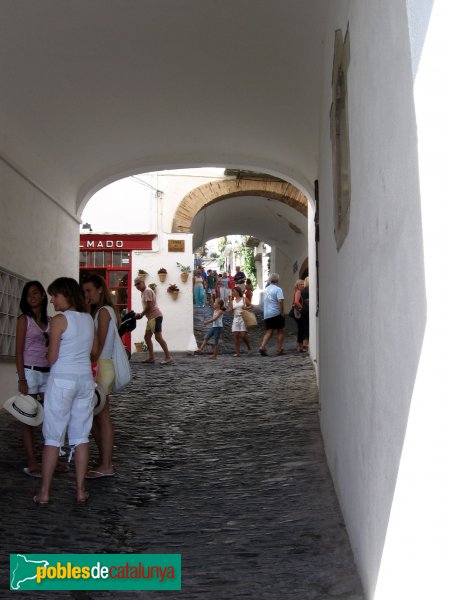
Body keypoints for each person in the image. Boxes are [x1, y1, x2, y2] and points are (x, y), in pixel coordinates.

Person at [34, 277, 96, 505]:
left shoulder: (60, 320)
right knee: (81, 436)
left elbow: (52, 358)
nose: (51, 300)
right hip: (85, 381)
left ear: (67, 295)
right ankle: (80, 491)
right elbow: (94, 351)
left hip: (62, 380)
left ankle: (44, 493)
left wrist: (48, 350)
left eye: (55, 295)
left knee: (52, 436)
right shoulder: (89, 319)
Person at [82, 274, 118, 478]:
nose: (86, 295)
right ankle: (105, 459)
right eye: (84, 291)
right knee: (96, 416)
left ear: (100, 290)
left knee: (102, 417)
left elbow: (98, 344)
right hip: (100, 365)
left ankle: (106, 464)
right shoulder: (100, 312)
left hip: (101, 366)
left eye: (89, 291)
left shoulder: (103, 312)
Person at [15, 281, 51, 477]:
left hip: (48, 373)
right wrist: (22, 379)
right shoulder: (24, 320)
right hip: (29, 372)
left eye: (36, 293)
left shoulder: (52, 321)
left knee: (50, 417)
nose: (32, 297)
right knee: (28, 417)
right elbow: (18, 352)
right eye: (28, 294)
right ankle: (32, 461)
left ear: (43, 296)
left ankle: (49, 458)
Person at [134, 276, 173, 364]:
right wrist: (142, 314)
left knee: (158, 337)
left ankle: (168, 357)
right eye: (136, 285)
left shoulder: (147, 291)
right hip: (151, 318)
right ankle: (151, 357)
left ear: (143, 282)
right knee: (147, 337)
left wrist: (141, 314)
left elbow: (149, 306)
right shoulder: (144, 292)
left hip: (155, 316)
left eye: (138, 284)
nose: (137, 286)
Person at [258, 273, 285, 356]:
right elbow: (280, 301)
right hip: (276, 313)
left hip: (267, 313)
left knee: (269, 331)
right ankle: (279, 349)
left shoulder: (265, 290)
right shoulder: (278, 289)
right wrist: (282, 312)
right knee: (280, 331)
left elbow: (263, 302)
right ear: (277, 280)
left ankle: (262, 347)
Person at [228, 287, 252, 357]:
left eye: (234, 291)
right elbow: (229, 311)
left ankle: (249, 346)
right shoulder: (232, 301)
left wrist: (246, 308)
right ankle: (238, 352)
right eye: (232, 292)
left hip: (243, 318)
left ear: (238, 292)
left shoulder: (244, 299)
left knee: (243, 335)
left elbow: (251, 306)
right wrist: (231, 308)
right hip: (235, 318)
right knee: (236, 336)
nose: (233, 293)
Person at [291, 279, 305, 352]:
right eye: (301, 284)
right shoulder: (298, 292)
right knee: (301, 328)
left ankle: (299, 345)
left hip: (296, 312)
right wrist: (302, 308)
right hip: (297, 312)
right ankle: (300, 346)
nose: (303, 285)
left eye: (303, 284)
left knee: (301, 328)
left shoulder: (297, 291)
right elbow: (296, 302)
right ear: (297, 286)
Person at [301, 276, 310, 352]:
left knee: (305, 327)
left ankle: (304, 344)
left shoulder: (303, 290)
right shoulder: (309, 290)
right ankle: (307, 345)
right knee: (308, 328)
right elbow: (308, 301)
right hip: (307, 310)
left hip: (303, 310)